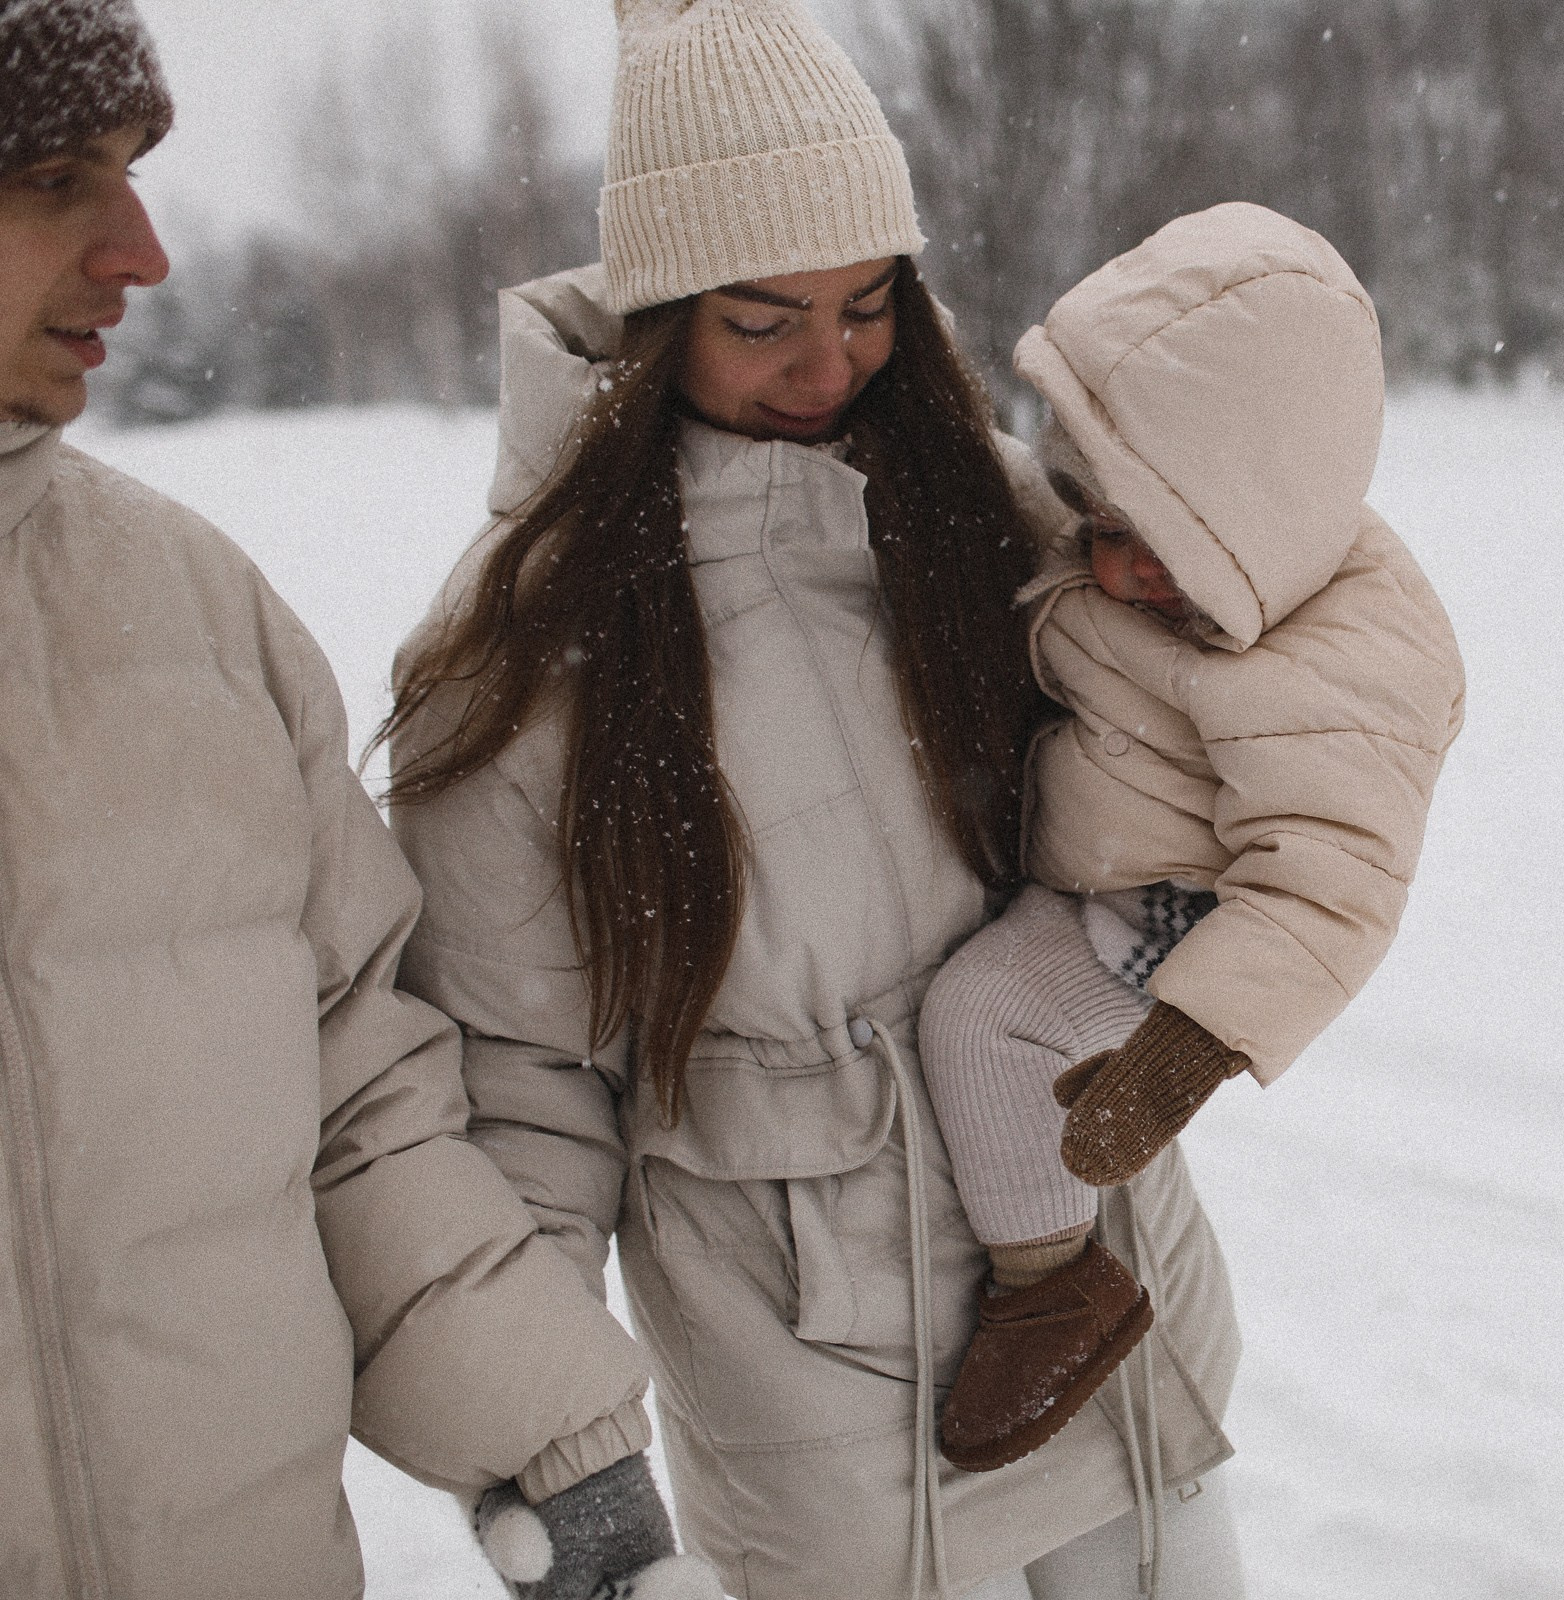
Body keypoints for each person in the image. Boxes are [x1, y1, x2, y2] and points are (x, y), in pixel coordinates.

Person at [382, 2, 1245, 1596]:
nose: (828, 364)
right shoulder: (524, 641)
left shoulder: (979, 500)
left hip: (1082, 1240)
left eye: (868, 305)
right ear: (655, 316)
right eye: (763, 316)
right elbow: (516, 1076)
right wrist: (553, 1448)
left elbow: (1203, 719)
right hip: (802, 1351)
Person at [0, 3, 713, 1597]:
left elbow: (358, 1090)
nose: (141, 252)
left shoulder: (191, 612)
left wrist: (557, 1451)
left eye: (135, 175)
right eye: (56, 179)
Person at [920, 202, 1465, 1473]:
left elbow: (1332, 886)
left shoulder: (1344, 665)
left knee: (983, 1017)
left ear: (1260, 514)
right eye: (1092, 525)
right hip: (1104, 855)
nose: (1110, 571)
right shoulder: (1182, 543)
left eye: (1150, 548)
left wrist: (1189, 1045)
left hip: (1171, 917)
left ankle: (1050, 1281)